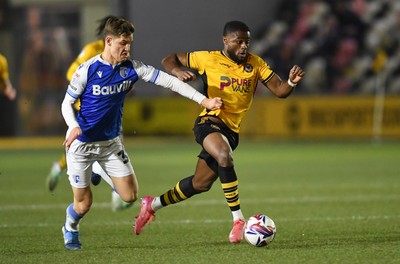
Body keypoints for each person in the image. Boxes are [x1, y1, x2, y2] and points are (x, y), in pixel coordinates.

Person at [133, 21, 305, 243]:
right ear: (226, 41)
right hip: (209, 121)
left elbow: (280, 91)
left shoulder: (256, 63)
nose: (244, 46)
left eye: (247, 42)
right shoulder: (208, 58)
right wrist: (177, 71)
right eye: (239, 41)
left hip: (231, 131)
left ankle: (152, 204)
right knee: (223, 155)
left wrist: (291, 81)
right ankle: (238, 220)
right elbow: (169, 58)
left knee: (200, 184)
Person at [61, 16, 222, 250]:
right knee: (83, 205)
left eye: (130, 43)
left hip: (111, 144)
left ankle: (98, 168)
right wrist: (72, 125)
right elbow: (66, 103)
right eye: (122, 43)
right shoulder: (87, 70)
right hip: (82, 145)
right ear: (108, 41)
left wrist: (203, 100)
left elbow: (169, 82)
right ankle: (70, 228)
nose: (127, 48)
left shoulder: (134, 69)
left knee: (129, 196)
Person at [46, 15, 130, 211]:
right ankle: (64, 169)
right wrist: (88, 89)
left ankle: (111, 187)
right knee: (84, 145)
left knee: (111, 141)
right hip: (87, 106)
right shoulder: (92, 50)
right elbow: (72, 72)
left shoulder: (120, 52)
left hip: (106, 106)